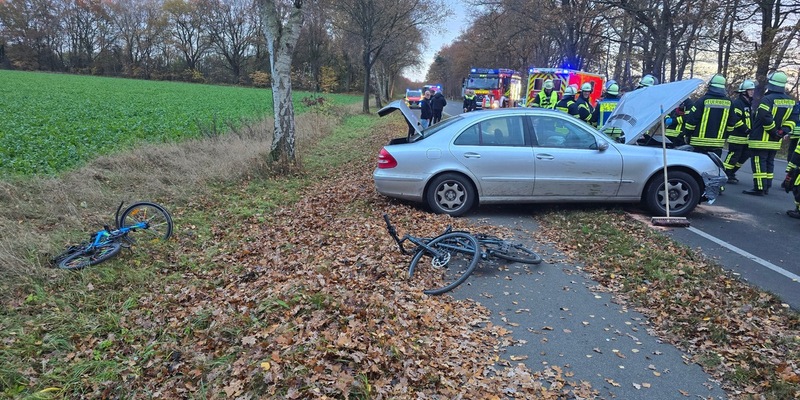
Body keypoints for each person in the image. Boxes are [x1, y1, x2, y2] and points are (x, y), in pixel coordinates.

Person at [743, 71, 798, 196]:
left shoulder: (767, 99)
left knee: (758, 163)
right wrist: (782, 131)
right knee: (769, 163)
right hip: (775, 141)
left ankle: (759, 188)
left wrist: (773, 131)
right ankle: (766, 186)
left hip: (760, 139)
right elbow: (793, 119)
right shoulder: (790, 101)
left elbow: (764, 116)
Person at [682, 74, 736, 158]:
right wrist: (725, 136)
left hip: (698, 144)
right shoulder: (729, 103)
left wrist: (687, 134)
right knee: (713, 165)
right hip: (717, 145)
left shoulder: (702, 101)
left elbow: (691, 121)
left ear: (710, 86)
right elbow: (732, 123)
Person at [723, 79, 756, 183]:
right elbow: (735, 119)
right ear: (744, 92)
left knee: (744, 156)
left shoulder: (748, 104)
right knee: (733, 156)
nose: (752, 92)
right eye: (750, 90)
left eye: (753, 90)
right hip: (736, 136)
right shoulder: (738, 103)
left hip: (746, 138)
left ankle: (732, 172)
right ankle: (725, 174)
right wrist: (745, 129)